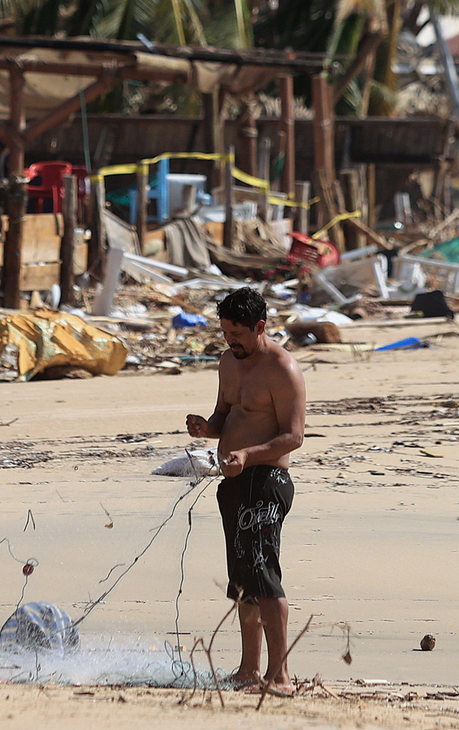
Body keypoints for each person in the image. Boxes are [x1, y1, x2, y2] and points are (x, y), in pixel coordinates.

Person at [185, 285, 307, 696]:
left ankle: (281, 676)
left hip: (267, 481)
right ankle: (248, 669)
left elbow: (293, 437)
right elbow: (225, 415)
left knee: (264, 575)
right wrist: (208, 428)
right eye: (225, 333)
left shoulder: (283, 369)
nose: (229, 342)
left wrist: (248, 455)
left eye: (237, 334)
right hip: (233, 483)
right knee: (241, 582)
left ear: (260, 326)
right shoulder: (227, 363)